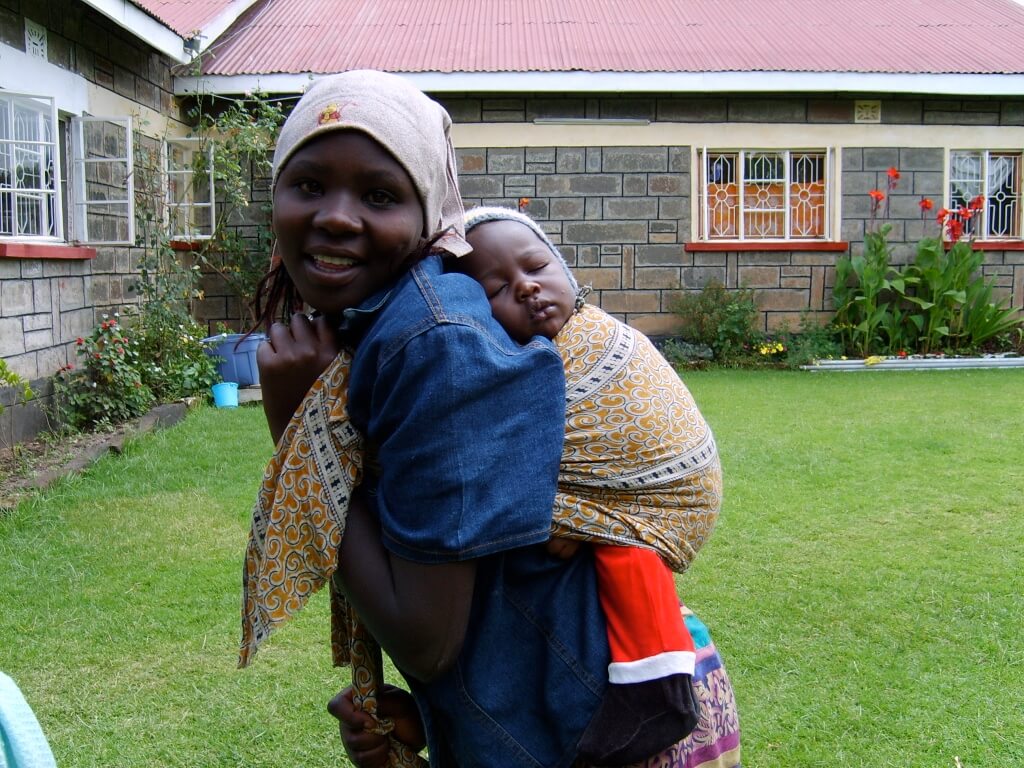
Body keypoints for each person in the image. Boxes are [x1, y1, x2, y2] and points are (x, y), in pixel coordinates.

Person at [241, 70, 610, 767]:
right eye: (310, 184)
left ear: (431, 211)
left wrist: (301, 432)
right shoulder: (383, 326)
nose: (337, 216)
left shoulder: (434, 343)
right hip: (525, 717)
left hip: (580, 734)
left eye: (379, 194)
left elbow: (426, 638)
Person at [334, 209, 743, 767]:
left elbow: (649, 439)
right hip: (599, 669)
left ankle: (653, 686)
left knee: (628, 562)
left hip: (650, 640)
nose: (526, 286)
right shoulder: (489, 384)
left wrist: (583, 515)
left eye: (537, 265)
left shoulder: (600, 344)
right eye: (496, 287)